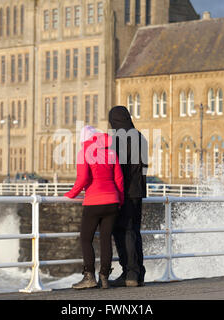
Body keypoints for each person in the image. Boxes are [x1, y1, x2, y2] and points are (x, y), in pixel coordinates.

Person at [65, 126, 124, 289]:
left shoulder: (84, 151)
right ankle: (104, 277)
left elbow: (83, 177)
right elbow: (119, 179)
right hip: (112, 201)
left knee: (86, 239)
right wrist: (119, 200)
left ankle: (89, 276)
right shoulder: (111, 152)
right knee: (106, 239)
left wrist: (71, 194)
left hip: (94, 201)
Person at [108, 106, 148, 287]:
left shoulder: (118, 139)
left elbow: (117, 169)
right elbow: (144, 168)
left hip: (124, 191)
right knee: (135, 231)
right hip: (139, 191)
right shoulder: (141, 137)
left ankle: (129, 272)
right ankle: (139, 273)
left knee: (124, 230)